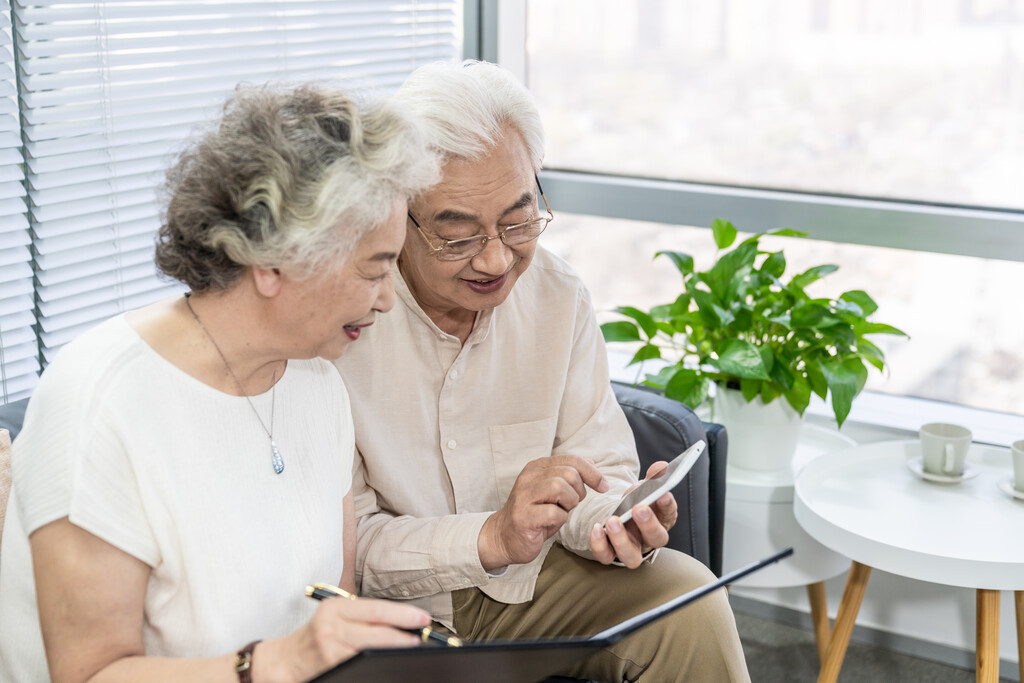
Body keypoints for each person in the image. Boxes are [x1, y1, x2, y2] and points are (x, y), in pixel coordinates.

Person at [0, 83, 440, 682]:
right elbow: (88, 675)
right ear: (277, 260)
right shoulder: (97, 402)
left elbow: (335, 602)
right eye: (375, 269)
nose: (388, 300)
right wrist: (280, 663)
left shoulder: (317, 383)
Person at [334, 60, 751, 682]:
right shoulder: (343, 318)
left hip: (532, 579)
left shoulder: (557, 293)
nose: (497, 258)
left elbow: (599, 466)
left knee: (689, 599)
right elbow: (347, 549)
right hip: (394, 608)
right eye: (459, 235)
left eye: (518, 219)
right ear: (397, 211)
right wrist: (493, 536)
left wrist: (612, 521)